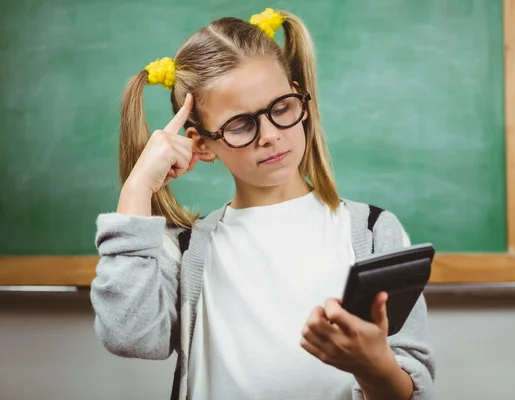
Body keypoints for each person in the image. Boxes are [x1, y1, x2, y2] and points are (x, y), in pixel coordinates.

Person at [90, 7, 435, 400]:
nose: (269, 135)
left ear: (297, 95)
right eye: (240, 124)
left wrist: (373, 366)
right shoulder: (186, 251)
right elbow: (128, 336)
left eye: (281, 108)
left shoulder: (373, 232)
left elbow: (411, 386)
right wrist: (137, 188)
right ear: (202, 144)